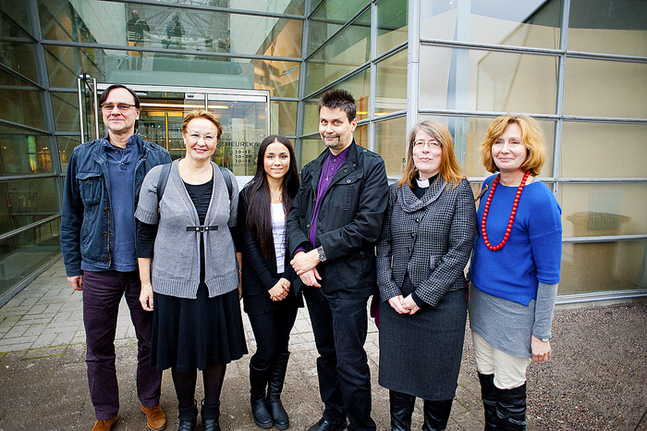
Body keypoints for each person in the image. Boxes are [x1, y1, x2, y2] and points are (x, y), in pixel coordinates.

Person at [60, 84, 170, 431]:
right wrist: (72, 265)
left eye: (124, 105)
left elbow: (170, 217)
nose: (116, 111)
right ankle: (105, 411)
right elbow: (71, 215)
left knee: (151, 342)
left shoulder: (159, 157)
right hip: (97, 267)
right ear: (102, 112)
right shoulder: (82, 156)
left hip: (145, 270)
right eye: (109, 106)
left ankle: (150, 402)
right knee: (98, 346)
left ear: (137, 112)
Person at [135, 110, 247, 431]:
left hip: (218, 282)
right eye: (195, 135)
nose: (202, 142)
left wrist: (237, 276)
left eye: (209, 136)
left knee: (215, 353)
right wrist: (145, 283)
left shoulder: (226, 179)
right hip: (173, 284)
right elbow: (144, 233)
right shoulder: (158, 177)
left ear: (217, 142)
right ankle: (186, 413)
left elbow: (237, 231)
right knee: (180, 354)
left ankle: (211, 413)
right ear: (183, 137)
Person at [286, 89, 389, 431]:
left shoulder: (370, 166)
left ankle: (361, 424)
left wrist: (318, 253)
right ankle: (333, 415)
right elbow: (295, 217)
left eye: (336, 122)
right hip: (314, 280)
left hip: (348, 282)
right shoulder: (313, 167)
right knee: (326, 355)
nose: (328, 128)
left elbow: (367, 226)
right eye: (324, 121)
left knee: (349, 359)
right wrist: (302, 253)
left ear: (353, 123)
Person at [376, 121, 477, 431]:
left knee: (438, 378)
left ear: (445, 150)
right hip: (396, 302)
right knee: (399, 374)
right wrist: (388, 289)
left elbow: (460, 250)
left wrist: (421, 297)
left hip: (441, 304)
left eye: (434, 144)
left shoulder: (458, 189)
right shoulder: (396, 192)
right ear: (411, 151)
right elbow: (383, 245)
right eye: (419, 143)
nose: (425, 150)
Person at [468, 114, 562, 431]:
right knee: (488, 390)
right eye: (498, 141)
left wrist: (541, 334)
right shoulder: (490, 186)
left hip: (515, 315)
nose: (504, 149)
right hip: (480, 306)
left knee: (509, 397)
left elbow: (549, 275)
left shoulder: (541, 200)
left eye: (514, 142)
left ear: (529, 149)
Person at [237, 135, 302, 430]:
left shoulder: (299, 194)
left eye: (283, 156)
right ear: (261, 160)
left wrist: (287, 279)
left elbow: (302, 239)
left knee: (283, 344)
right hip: (258, 285)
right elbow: (246, 243)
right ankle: (257, 399)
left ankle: (274, 397)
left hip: (289, 283)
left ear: (291, 159)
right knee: (266, 347)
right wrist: (269, 282)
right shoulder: (249, 194)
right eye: (271, 156)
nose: (277, 162)